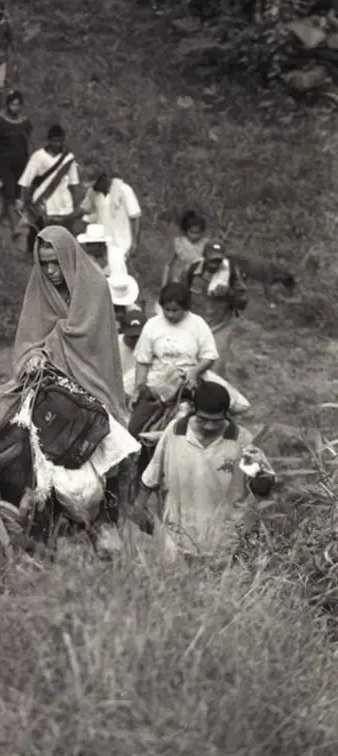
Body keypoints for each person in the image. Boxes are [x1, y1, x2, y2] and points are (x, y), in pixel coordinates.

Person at [0, 226, 140, 542]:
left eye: (56, 263)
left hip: (87, 380)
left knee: (108, 436)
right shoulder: (38, 290)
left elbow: (88, 337)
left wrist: (48, 349)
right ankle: (8, 502)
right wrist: (33, 356)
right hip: (44, 378)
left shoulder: (95, 287)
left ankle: (108, 514)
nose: (51, 271)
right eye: (44, 263)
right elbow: (27, 339)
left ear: (69, 257)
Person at [133, 381, 275, 559]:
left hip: (224, 542)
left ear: (226, 414)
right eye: (203, 419)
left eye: (216, 421)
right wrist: (139, 506)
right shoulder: (176, 432)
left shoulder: (240, 439)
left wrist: (260, 478)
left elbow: (263, 488)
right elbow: (153, 473)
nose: (209, 426)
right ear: (192, 409)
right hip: (178, 536)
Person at [128, 282, 218, 444]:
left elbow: (209, 356)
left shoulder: (198, 325)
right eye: (167, 310)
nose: (170, 314)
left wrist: (194, 371)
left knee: (191, 431)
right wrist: (139, 388)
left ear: (185, 308)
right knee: (134, 430)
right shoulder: (153, 325)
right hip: (156, 385)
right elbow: (143, 360)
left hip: (186, 386)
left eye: (175, 310)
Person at [184, 239, 248, 376]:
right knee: (189, 365)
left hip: (220, 327)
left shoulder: (230, 272)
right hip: (195, 326)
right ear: (204, 256)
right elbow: (181, 294)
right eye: (212, 260)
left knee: (215, 369)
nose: (215, 264)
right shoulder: (192, 269)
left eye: (218, 261)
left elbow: (243, 302)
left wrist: (228, 294)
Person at [16, 125, 82, 256]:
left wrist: (75, 203)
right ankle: (33, 254)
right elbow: (26, 180)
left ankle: (62, 256)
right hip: (43, 199)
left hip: (63, 200)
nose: (57, 144)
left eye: (60, 141)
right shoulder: (38, 156)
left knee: (64, 230)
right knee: (39, 229)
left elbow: (73, 182)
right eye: (55, 141)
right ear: (49, 140)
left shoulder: (68, 157)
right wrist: (22, 200)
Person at [0, 90, 33, 239]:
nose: (15, 107)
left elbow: (28, 142)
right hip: (3, 161)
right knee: (9, 190)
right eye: (13, 104)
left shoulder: (25, 122)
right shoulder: (0, 121)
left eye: (18, 105)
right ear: (8, 105)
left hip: (20, 161)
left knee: (17, 192)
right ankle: (15, 229)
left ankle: (4, 214)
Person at [82, 165, 142, 270]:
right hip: (100, 245)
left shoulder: (123, 190)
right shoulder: (93, 193)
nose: (94, 187)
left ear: (104, 179)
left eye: (95, 184)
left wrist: (135, 243)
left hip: (121, 244)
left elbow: (135, 217)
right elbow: (84, 209)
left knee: (118, 277)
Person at [162, 208, 208, 286]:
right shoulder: (178, 243)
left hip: (197, 283)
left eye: (198, 233)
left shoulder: (206, 244)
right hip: (178, 283)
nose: (195, 236)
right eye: (192, 232)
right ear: (186, 230)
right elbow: (167, 266)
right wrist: (164, 287)